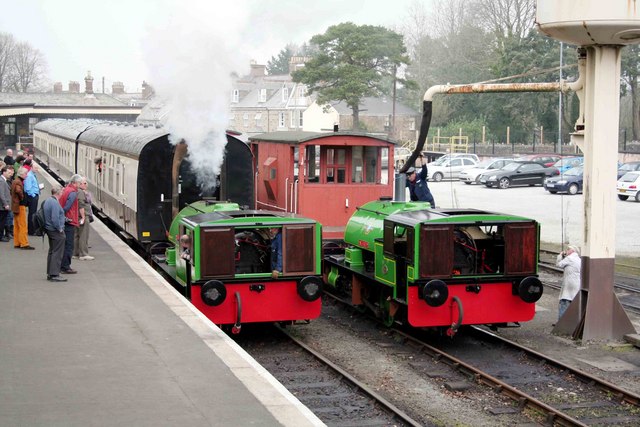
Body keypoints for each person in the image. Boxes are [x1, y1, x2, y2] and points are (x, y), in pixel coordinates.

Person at [58, 174, 82, 274]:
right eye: (79, 183)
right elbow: (67, 207)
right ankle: (65, 266)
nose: (79, 185)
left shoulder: (66, 189)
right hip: (69, 221)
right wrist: (63, 216)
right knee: (69, 245)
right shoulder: (72, 193)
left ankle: (63, 265)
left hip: (66, 220)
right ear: (74, 183)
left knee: (65, 244)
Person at [43, 186, 67, 282]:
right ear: (59, 193)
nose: (62, 193)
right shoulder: (55, 203)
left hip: (49, 229)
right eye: (62, 192)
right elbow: (55, 218)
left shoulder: (48, 200)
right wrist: (60, 228)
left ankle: (50, 273)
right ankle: (54, 274)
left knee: (52, 251)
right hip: (55, 231)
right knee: (57, 252)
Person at [10, 167, 34, 250]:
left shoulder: (15, 181)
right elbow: (18, 191)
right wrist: (22, 197)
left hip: (16, 206)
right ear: (21, 174)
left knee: (16, 225)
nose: (26, 175)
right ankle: (24, 243)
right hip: (20, 206)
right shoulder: (18, 182)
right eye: (25, 174)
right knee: (23, 225)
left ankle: (17, 242)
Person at [556, 245, 582, 320]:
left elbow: (559, 264)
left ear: (573, 251)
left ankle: (561, 322)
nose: (567, 251)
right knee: (573, 303)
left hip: (569, 285)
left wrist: (560, 255)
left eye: (568, 249)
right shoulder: (579, 259)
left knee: (564, 302)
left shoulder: (570, 258)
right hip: (577, 284)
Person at [73, 178, 94, 260]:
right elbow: (81, 205)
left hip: (78, 216)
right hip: (83, 215)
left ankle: (76, 253)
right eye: (84, 183)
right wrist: (83, 217)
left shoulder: (78, 191)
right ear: (80, 184)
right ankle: (83, 254)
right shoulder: (81, 192)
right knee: (83, 235)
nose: (86, 185)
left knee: (77, 235)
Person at [22, 158, 41, 235]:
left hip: (34, 196)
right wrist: (33, 195)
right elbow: (27, 188)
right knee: (32, 213)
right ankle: (31, 230)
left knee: (33, 213)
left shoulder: (32, 175)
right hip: (32, 197)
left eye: (37, 168)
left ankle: (32, 229)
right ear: (31, 168)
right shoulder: (29, 176)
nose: (37, 169)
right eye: (35, 168)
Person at [0, 165, 12, 242]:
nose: (10, 174)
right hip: (2, 206)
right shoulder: (1, 181)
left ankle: (1, 235)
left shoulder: (3, 180)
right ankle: (1, 236)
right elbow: (1, 194)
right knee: (2, 221)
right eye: (8, 172)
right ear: (4, 172)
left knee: (2, 221)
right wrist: (5, 204)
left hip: (3, 205)